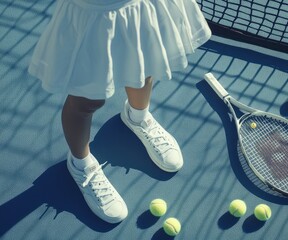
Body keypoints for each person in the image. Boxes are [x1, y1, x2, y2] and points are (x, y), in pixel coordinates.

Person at [28, 0, 211, 224]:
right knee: (87, 100)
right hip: (96, 12)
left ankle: (138, 118)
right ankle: (80, 163)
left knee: (145, 65)